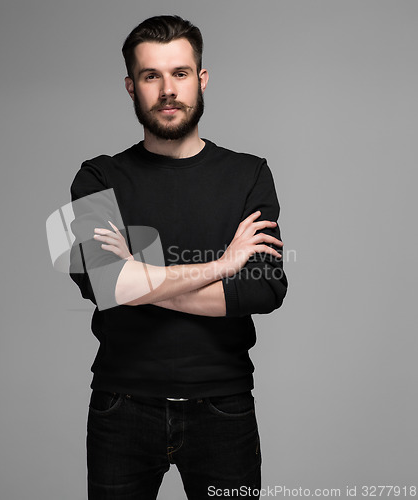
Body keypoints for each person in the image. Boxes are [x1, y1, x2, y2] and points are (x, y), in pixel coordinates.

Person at [69, 15, 288, 500]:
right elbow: (103, 285)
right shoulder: (96, 179)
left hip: (223, 407)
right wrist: (220, 268)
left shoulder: (249, 174)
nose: (168, 90)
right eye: (152, 76)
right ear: (131, 87)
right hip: (121, 406)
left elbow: (264, 289)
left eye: (180, 73)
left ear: (201, 79)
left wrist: (138, 280)